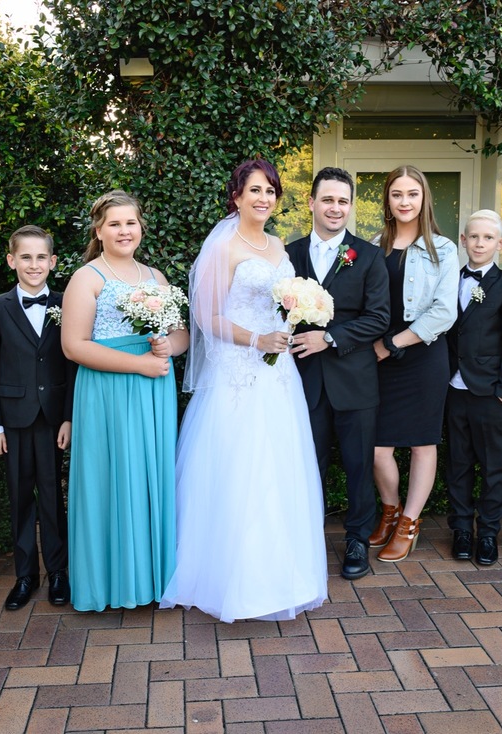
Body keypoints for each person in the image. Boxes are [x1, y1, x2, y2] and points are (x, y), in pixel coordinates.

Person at [159, 159, 327, 622]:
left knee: (279, 467)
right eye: (255, 190)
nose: (264, 198)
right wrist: (256, 340)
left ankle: (282, 575)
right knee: (238, 469)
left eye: (270, 191)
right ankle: (229, 579)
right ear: (236, 196)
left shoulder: (278, 245)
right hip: (237, 374)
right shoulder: (222, 247)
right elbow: (206, 317)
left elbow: (282, 304)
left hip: (278, 374)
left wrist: (292, 320)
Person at [61, 190, 188, 612]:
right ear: (98, 231)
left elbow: (181, 334)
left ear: (140, 228)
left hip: (153, 390)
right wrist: (139, 365)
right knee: (112, 478)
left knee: (150, 475)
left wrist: (168, 346)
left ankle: (152, 579)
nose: (124, 231)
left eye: (130, 223)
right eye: (114, 224)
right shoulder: (87, 278)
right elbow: (74, 346)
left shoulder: (156, 278)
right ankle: (111, 583)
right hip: (108, 391)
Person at [288, 167, 391, 580]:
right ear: (311, 202)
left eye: (343, 201)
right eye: (328, 199)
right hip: (302, 381)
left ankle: (357, 540)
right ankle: (304, 540)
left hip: (354, 380)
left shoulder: (368, 256)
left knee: (358, 465)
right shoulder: (288, 254)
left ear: (351, 207)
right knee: (305, 465)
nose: (335, 208)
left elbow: (379, 317)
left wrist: (329, 338)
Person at [0, 225, 76, 609]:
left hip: (53, 418)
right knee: (20, 496)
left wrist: (69, 417)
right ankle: (25, 576)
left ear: (52, 262)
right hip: (13, 417)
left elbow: (73, 364)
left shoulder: (67, 303)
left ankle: (58, 573)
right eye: (26, 257)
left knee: (53, 497)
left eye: (41, 257)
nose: (33, 265)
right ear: (11, 261)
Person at [369, 165, 458, 563]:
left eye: (412, 194)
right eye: (397, 194)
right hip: (377, 356)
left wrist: (393, 343)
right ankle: (390, 510)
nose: (404, 202)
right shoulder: (373, 245)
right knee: (377, 447)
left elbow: (444, 312)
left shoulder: (444, 249)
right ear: (387, 200)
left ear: (424, 199)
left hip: (422, 354)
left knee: (423, 443)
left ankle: (408, 523)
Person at [445, 210, 502, 565]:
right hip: (452, 389)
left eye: (488, 238)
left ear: (501, 243)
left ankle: (489, 532)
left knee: (494, 467)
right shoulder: (449, 279)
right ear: (463, 240)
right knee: (458, 464)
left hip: (491, 392)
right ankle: (462, 529)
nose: (480, 244)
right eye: (474, 237)